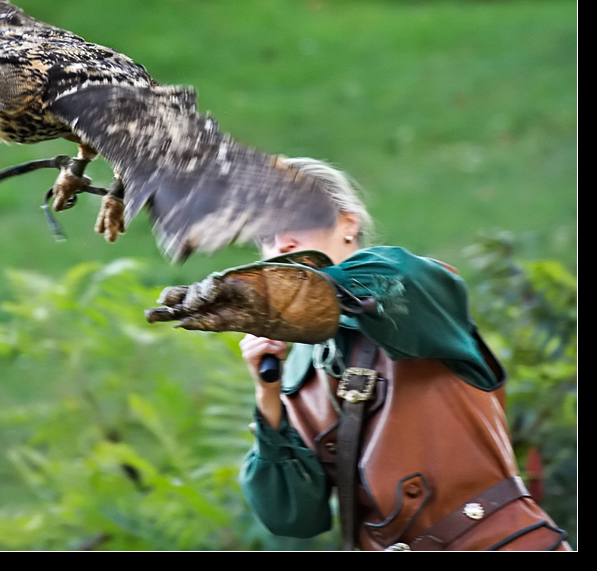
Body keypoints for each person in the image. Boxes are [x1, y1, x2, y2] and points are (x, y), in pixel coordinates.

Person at [147, 158, 570, 551]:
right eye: (264, 233)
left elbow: (387, 282)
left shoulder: (416, 293)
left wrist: (296, 290)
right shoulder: (295, 369)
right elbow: (293, 517)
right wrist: (268, 397)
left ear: (347, 223)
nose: (280, 240)